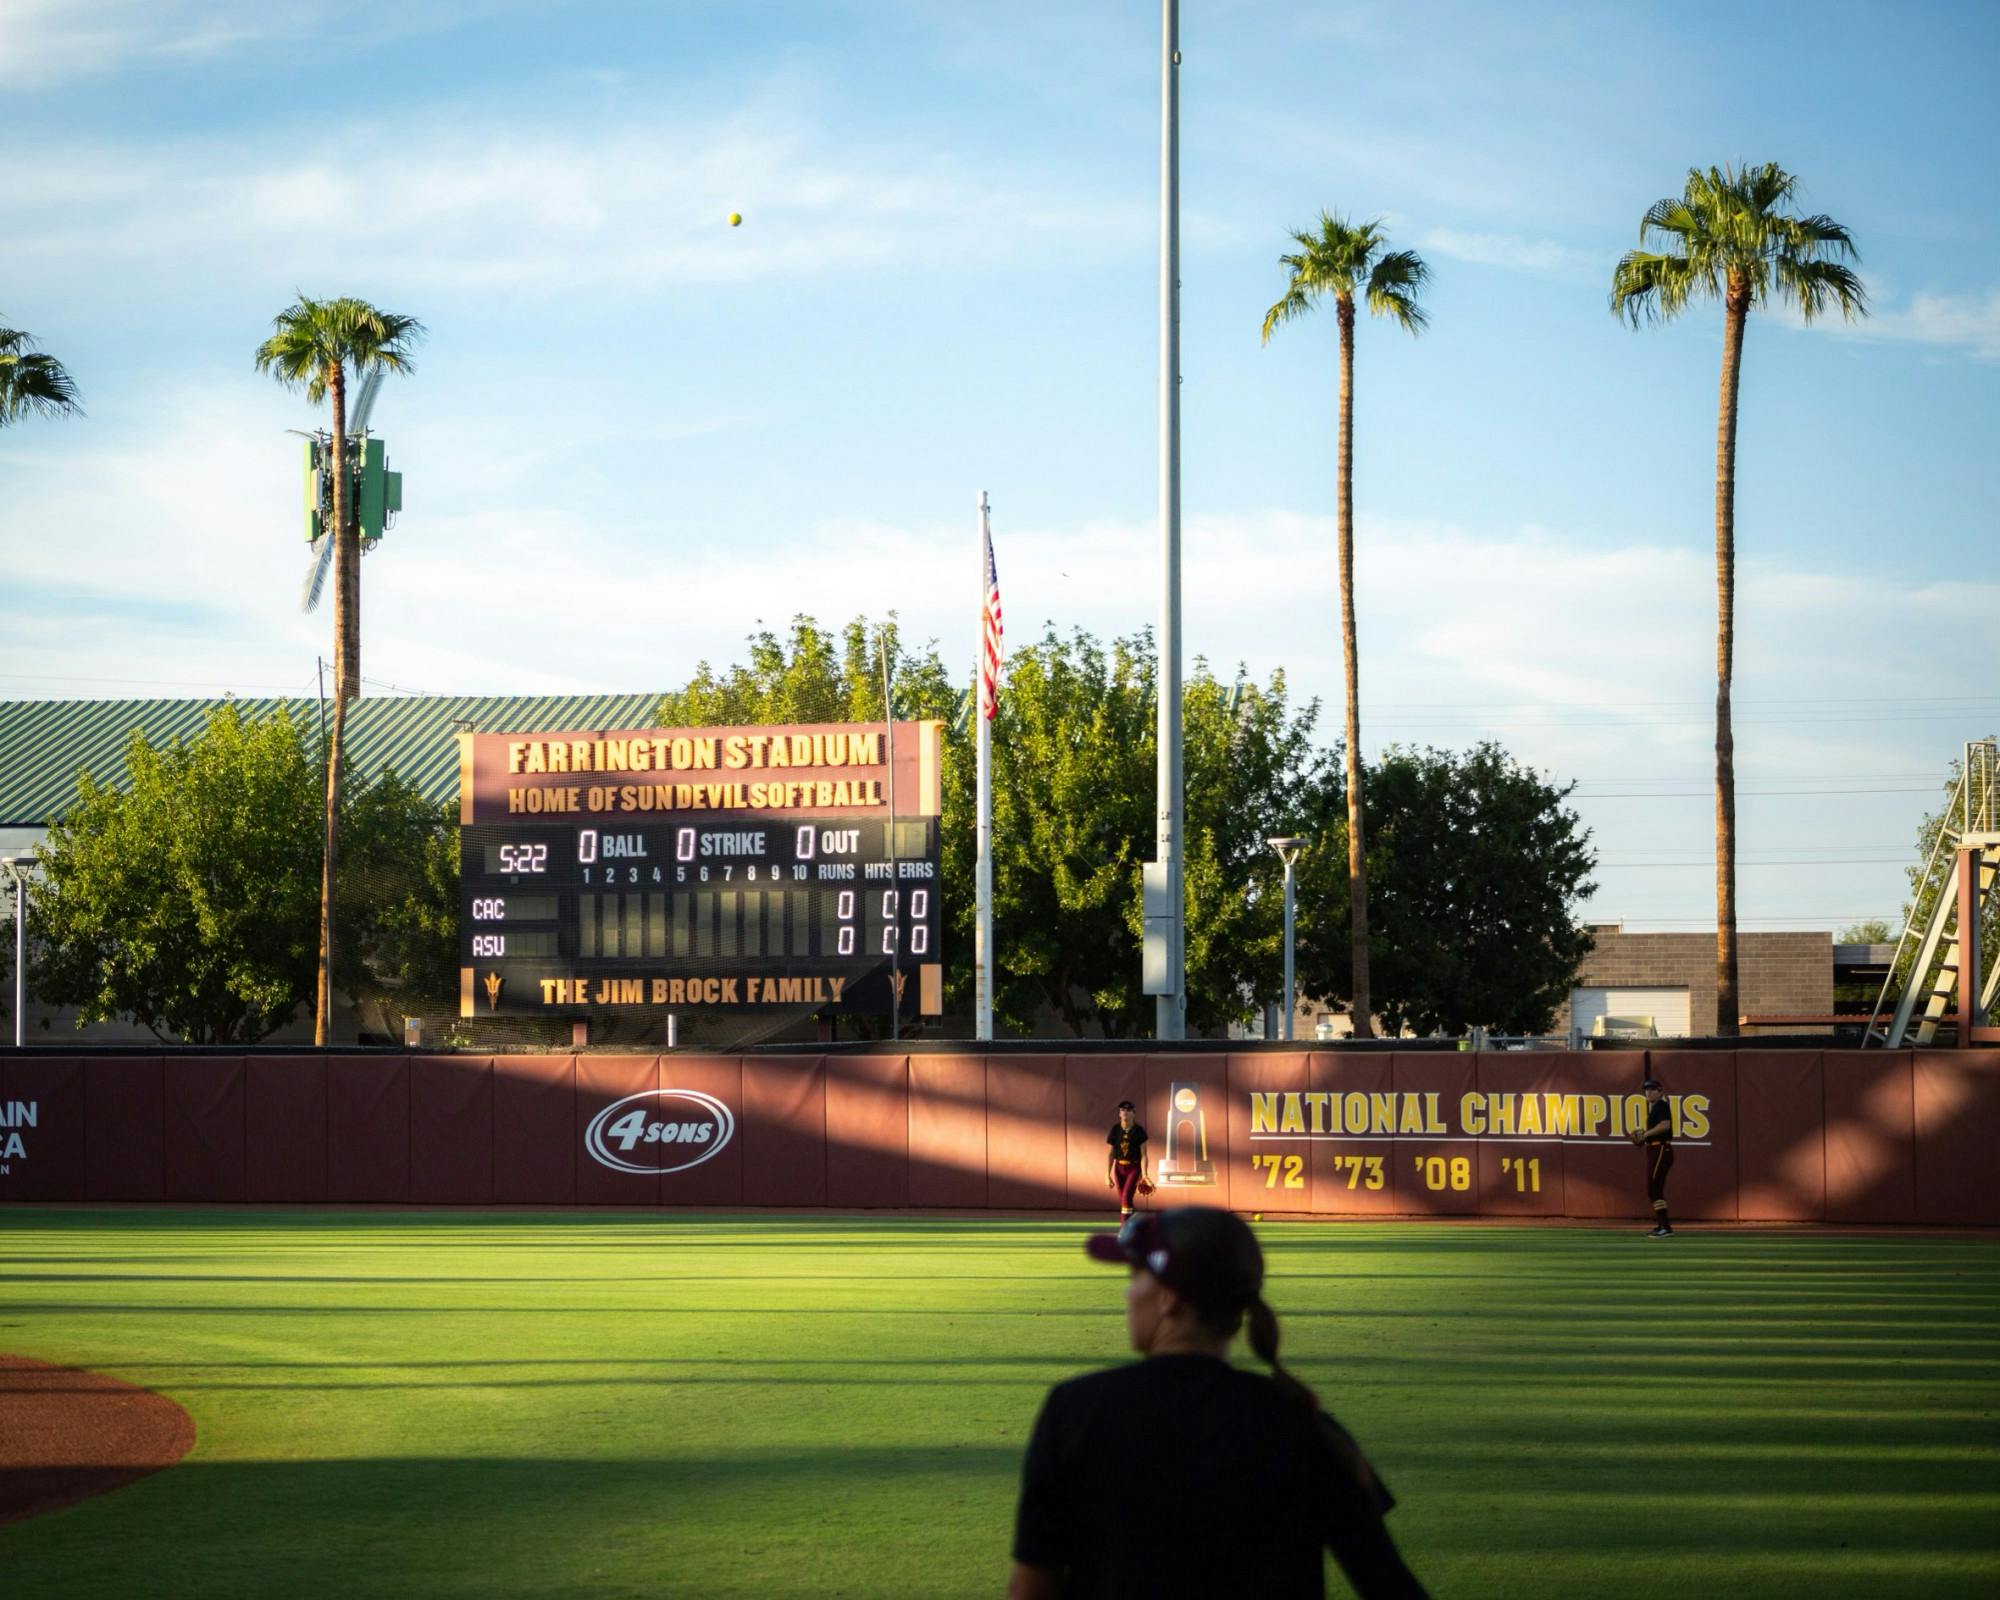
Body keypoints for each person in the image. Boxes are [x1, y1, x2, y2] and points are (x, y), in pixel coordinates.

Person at [1009, 1207, 1428, 1599]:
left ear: (1169, 1297)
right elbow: (1389, 1584)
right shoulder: (1304, 1423)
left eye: (1136, 1275)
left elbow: (1031, 1588)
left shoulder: (1075, 1410)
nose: (1128, 1293)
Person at [1628, 1076, 1675, 1236]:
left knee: (1654, 1188)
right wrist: (1646, 1137)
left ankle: (1665, 1227)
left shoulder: (1661, 1105)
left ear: (1660, 1091)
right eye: (1646, 1090)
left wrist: (1646, 1134)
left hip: (1660, 1148)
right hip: (1655, 1149)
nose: (1648, 1093)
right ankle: (1663, 1225)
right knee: (1654, 1189)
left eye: (1652, 1089)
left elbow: (1665, 1125)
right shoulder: (1655, 1107)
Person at [1104, 1100, 1151, 1220]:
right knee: (1125, 1202)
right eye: (1122, 1110)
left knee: (1126, 1199)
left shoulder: (1139, 1131)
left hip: (1134, 1168)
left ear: (1133, 1113)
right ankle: (1136, 1222)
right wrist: (1107, 1174)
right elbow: (1110, 1153)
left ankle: (1124, 1232)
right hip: (1119, 1168)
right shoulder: (1115, 1130)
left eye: (1128, 1110)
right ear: (1119, 1113)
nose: (1125, 1112)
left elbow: (1144, 1155)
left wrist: (1144, 1175)